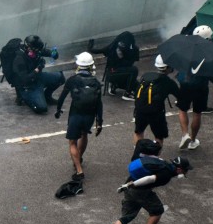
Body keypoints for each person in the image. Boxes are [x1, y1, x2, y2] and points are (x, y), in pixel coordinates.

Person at [101, 149, 191, 224]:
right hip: (137, 189)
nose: (185, 172)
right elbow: (150, 179)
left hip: (130, 187)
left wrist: (127, 185)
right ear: (179, 169)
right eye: (185, 170)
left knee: (128, 215)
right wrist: (130, 185)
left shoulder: (163, 163)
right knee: (157, 210)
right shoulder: (166, 174)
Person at [54, 53, 104, 181]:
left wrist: (58, 110)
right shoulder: (96, 82)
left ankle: (79, 170)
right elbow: (99, 104)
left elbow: (61, 98)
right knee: (84, 135)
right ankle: (79, 158)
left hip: (75, 115)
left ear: (79, 65)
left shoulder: (72, 80)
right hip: (89, 116)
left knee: (72, 142)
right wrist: (99, 122)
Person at [176, 25, 213, 151]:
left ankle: (184, 134)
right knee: (197, 113)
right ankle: (192, 141)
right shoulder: (209, 52)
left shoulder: (185, 47)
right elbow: (210, 72)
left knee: (182, 109)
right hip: (200, 86)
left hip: (185, 83)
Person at [132, 55, 181, 155]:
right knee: (159, 136)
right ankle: (155, 157)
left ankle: (138, 154)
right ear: (168, 68)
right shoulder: (168, 82)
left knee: (138, 132)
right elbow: (180, 95)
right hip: (156, 113)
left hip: (140, 110)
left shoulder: (146, 76)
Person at [11, 35, 64, 114]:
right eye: (36, 51)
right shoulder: (19, 59)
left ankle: (47, 96)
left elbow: (50, 54)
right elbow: (25, 79)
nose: (38, 52)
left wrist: (54, 53)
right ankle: (23, 97)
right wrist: (38, 69)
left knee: (60, 77)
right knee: (41, 108)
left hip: (38, 77)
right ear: (28, 48)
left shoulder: (35, 50)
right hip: (28, 85)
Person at [102, 31, 140, 98]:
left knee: (138, 87)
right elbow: (102, 50)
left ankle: (117, 84)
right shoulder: (114, 47)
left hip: (124, 72)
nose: (122, 45)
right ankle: (126, 93)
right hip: (113, 73)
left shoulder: (134, 49)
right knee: (134, 70)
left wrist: (122, 58)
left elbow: (129, 64)